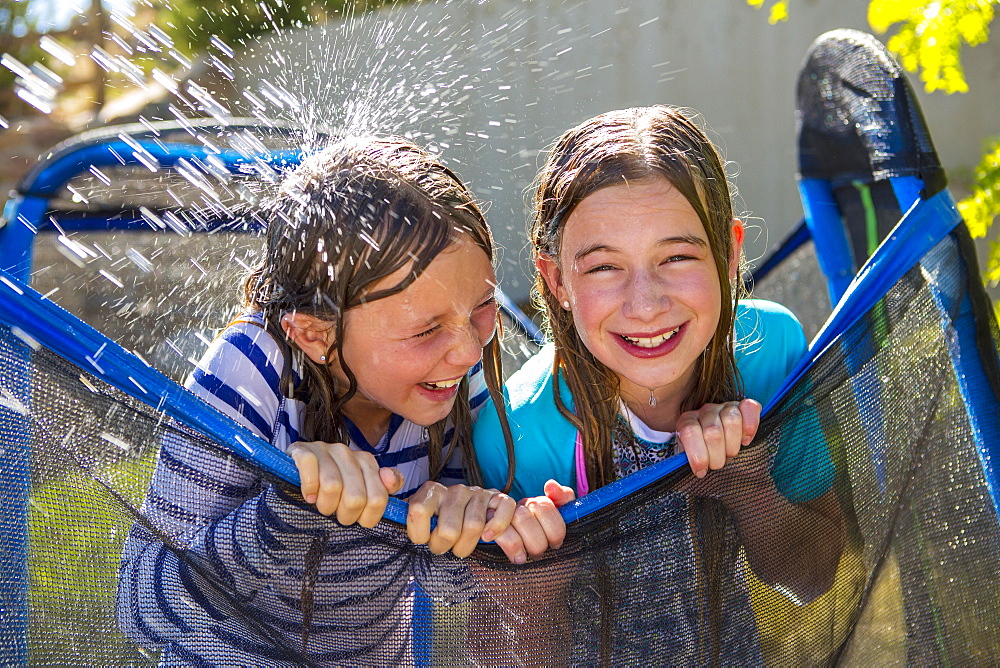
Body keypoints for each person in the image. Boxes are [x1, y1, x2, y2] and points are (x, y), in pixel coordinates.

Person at [117, 136, 563, 665]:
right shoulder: (254, 369)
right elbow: (141, 606)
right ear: (315, 335)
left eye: (483, 307)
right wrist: (288, 511)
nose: (468, 350)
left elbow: (452, 590)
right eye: (425, 331)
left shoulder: (452, 386)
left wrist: (475, 530)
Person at [473, 106, 845, 657]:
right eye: (603, 267)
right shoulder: (518, 433)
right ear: (556, 280)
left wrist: (749, 486)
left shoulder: (768, 356)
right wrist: (533, 600)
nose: (645, 304)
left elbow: (814, 576)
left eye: (676, 256)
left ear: (730, 253)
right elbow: (505, 651)